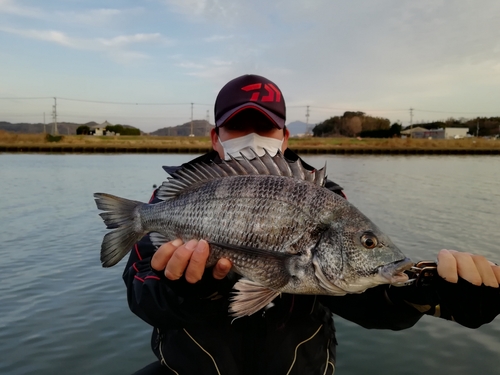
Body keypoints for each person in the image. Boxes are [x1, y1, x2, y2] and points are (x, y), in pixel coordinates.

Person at [124, 74, 500, 375]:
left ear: (284, 137)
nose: (252, 138)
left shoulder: (327, 199)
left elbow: (362, 298)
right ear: (216, 139)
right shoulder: (172, 199)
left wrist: (418, 295)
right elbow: (142, 296)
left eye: (265, 128)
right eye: (238, 128)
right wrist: (190, 292)